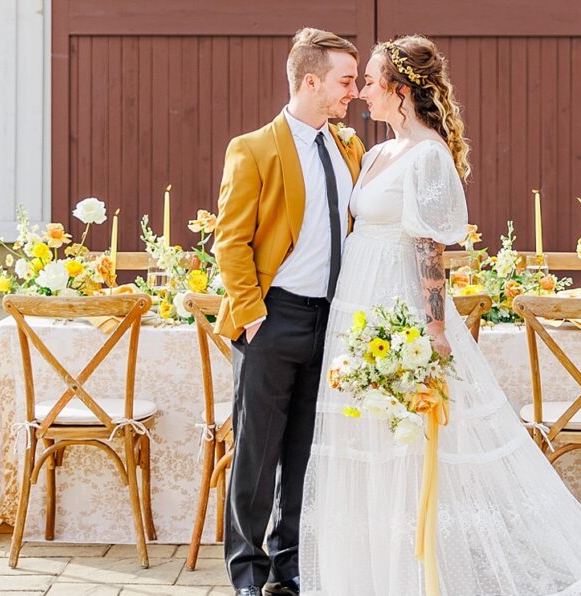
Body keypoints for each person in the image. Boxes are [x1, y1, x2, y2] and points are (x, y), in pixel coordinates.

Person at [297, 35, 581, 595]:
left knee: (411, 444)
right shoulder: (374, 154)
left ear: (399, 89)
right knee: (366, 442)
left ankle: (420, 577)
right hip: (357, 308)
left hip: (400, 311)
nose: (363, 91)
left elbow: (429, 251)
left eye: (370, 81)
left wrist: (435, 329)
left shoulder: (429, 157)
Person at [213, 27, 365, 596]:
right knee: (256, 453)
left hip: (330, 321)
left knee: (306, 452)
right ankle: (247, 574)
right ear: (310, 80)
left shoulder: (347, 147)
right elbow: (230, 242)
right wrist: (254, 316)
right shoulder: (252, 149)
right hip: (273, 319)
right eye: (345, 80)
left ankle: (290, 565)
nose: (353, 90)